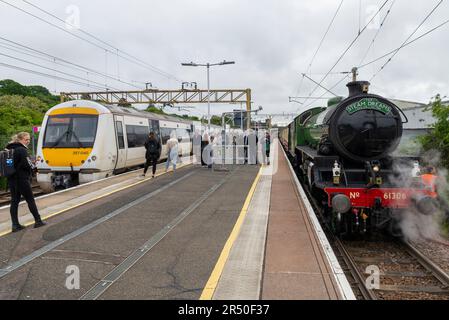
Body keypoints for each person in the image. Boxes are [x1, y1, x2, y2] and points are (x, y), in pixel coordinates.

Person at [6, 132, 46, 232]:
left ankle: (15, 225)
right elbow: (27, 164)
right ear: (20, 140)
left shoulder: (9, 149)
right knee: (30, 199)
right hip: (22, 179)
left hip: (11, 179)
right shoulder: (22, 150)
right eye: (26, 140)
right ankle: (38, 221)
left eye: (28, 139)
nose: (28, 141)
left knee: (14, 201)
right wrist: (35, 170)